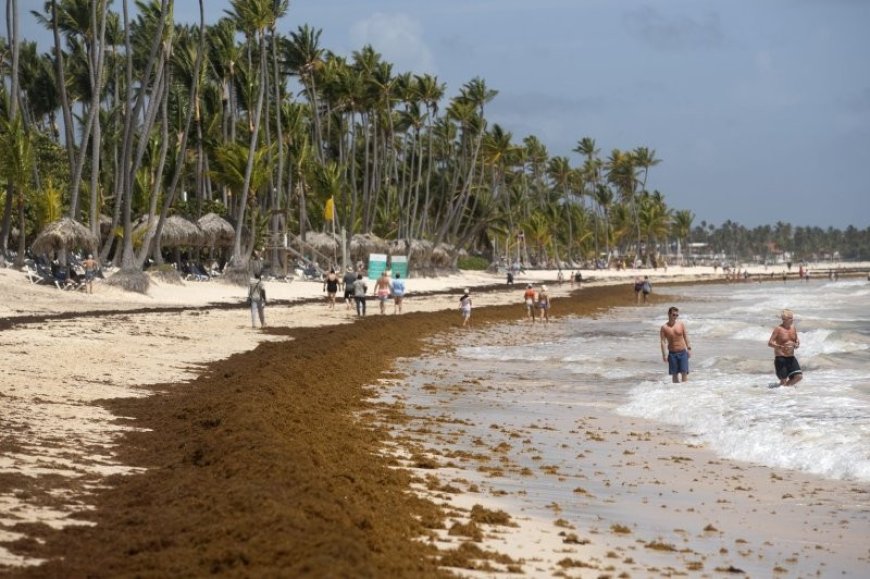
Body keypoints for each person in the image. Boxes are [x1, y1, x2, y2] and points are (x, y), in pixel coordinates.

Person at [768, 309, 802, 386]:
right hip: (781, 358)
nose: (792, 320)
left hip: (791, 357)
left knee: (799, 377)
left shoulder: (793, 328)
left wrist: (797, 344)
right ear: (784, 319)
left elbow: (796, 339)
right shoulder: (778, 329)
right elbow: (770, 343)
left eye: (792, 318)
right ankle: (782, 393)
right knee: (783, 381)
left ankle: (784, 390)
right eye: (790, 318)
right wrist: (779, 346)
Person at [660, 306, 691, 383]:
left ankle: (684, 391)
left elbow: (686, 336)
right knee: (674, 374)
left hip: (683, 352)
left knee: (684, 373)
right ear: (669, 314)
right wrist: (664, 355)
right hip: (672, 354)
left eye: (677, 315)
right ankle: (676, 392)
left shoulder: (681, 324)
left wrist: (689, 348)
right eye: (674, 315)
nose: (675, 317)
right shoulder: (664, 327)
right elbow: (663, 342)